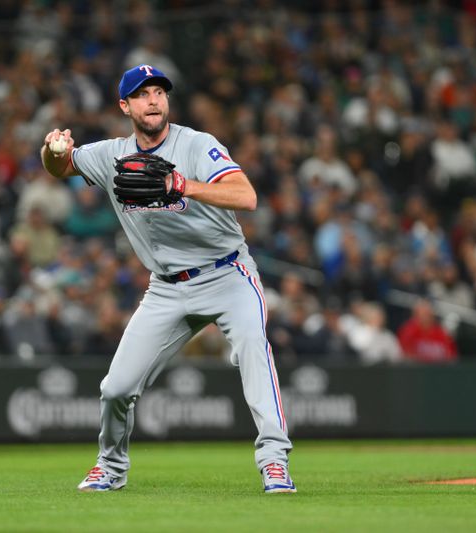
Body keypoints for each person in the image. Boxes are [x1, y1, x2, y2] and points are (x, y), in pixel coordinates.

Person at [41, 65, 295, 494]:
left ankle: (274, 461)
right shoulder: (110, 154)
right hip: (166, 287)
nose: (153, 99)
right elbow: (59, 167)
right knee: (116, 387)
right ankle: (110, 466)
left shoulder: (196, 144)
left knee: (254, 350)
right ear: (125, 106)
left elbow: (245, 196)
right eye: (142, 94)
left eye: (159, 91)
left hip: (226, 273)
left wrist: (183, 184)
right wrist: (53, 148)